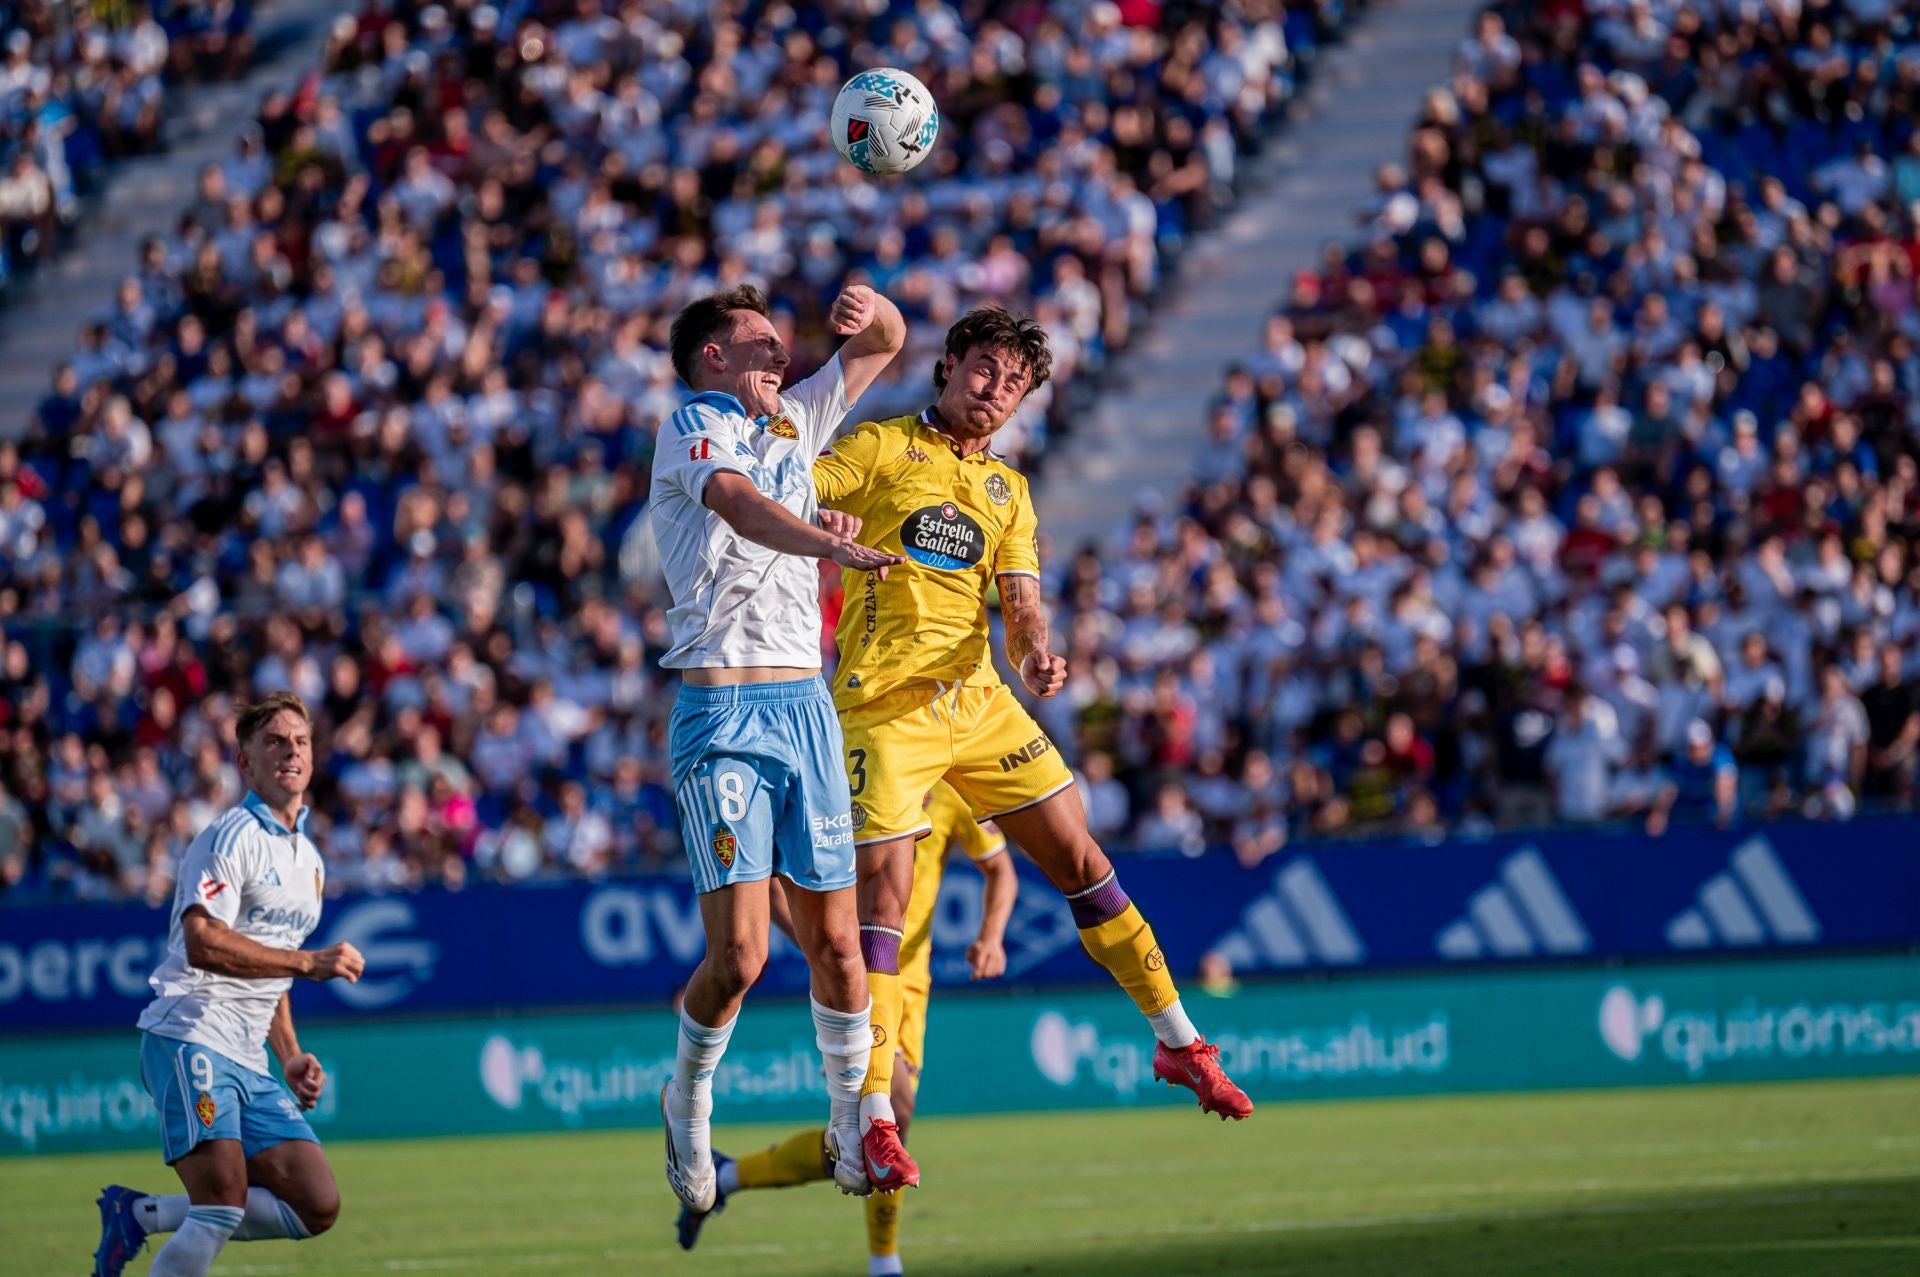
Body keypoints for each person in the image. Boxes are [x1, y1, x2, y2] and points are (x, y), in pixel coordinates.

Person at [813, 306, 1254, 1194]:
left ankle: (1180, 1044)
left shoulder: (1009, 491)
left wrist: (1038, 654)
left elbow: (1021, 606)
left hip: (980, 700)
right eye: (985, 369)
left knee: (1087, 863)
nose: (997, 391)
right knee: (886, 907)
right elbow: (793, 486)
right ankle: (873, 1122)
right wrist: (824, 525)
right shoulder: (879, 449)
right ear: (948, 367)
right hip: (884, 713)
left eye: (1015, 383)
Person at [649, 282, 908, 1215]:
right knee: (744, 957)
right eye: (762, 344)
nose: (782, 357)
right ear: (714, 357)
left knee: (840, 941)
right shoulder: (693, 425)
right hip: (723, 719)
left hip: (806, 710)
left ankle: (851, 1124)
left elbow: (887, 341)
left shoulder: (798, 418)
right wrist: (826, 544)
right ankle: (688, 1098)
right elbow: (741, 508)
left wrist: (869, 309)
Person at [676, 781, 1019, 1276]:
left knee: (869, 1136)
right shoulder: (837, 778)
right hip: (854, 988)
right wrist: (829, 955)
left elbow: (1000, 870)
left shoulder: (952, 783)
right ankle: (885, 1264)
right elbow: (770, 882)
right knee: (891, 1118)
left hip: (910, 994)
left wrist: (991, 936)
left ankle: (726, 1177)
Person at [93, 693, 366, 1277]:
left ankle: (138, 1214)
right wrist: (305, 963)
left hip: (250, 1057)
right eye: (273, 741)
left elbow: (268, 967)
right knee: (220, 1203)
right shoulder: (230, 836)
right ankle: (143, 1219)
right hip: (190, 1033)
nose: (290, 751)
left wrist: (289, 1056)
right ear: (245, 763)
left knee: (316, 1204)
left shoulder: (310, 861)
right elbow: (203, 942)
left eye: (300, 741)